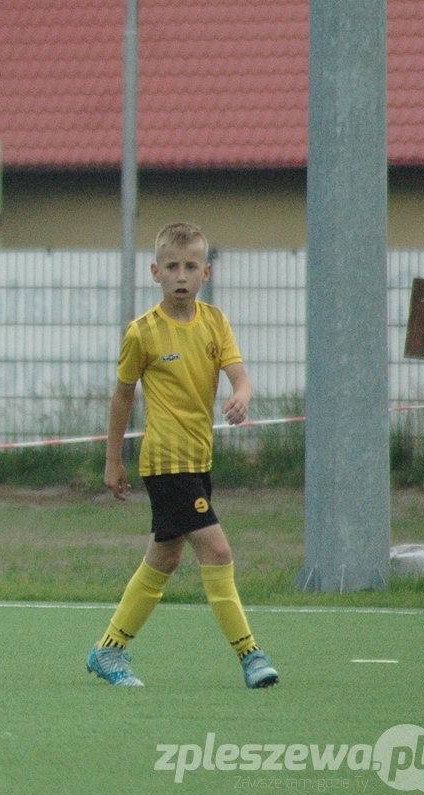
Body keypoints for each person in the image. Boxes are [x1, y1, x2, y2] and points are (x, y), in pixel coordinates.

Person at [86, 222, 280, 690]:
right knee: (217, 550)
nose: (181, 275)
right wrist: (114, 460)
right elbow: (121, 397)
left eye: (191, 266)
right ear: (155, 272)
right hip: (165, 462)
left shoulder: (215, 322)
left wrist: (242, 395)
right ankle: (250, 654)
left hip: (198, 460)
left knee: (165, 559)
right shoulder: (143, 332)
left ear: (205, 272)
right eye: (171, 266)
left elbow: (241, 376)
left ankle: (109, 649)